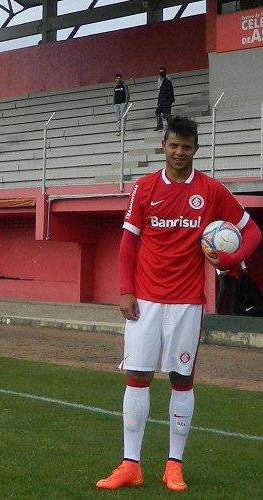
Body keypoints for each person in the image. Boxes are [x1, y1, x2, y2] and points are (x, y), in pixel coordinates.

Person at [96, 116, 261, 492]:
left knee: (181, 380)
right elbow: (128, 244)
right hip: (144, 301)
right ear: (164, 146)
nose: (179, 152)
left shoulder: (212, 190)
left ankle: (174, 465)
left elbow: (252, 231)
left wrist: (231, 260)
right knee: (136, 379)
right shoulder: (144, 187)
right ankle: (130, 465)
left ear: (195, 149)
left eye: (186, 147)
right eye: (173, 145)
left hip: (187, 301)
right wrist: (125, 290)